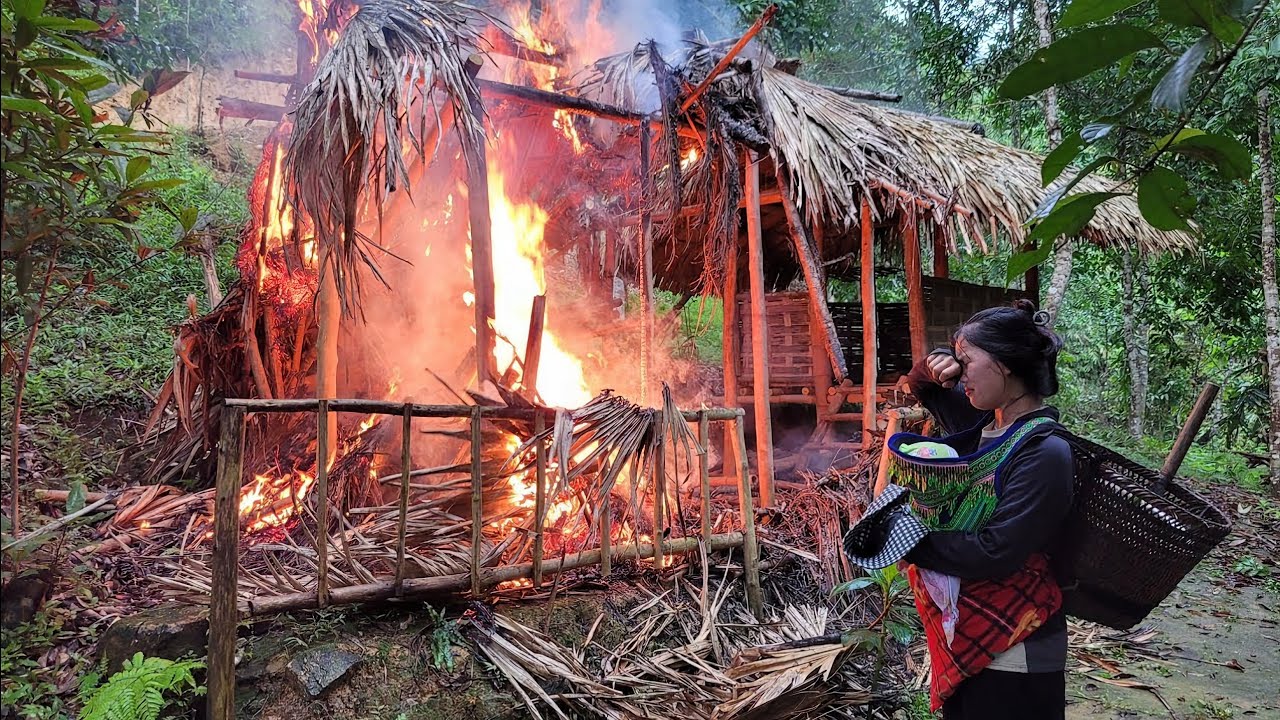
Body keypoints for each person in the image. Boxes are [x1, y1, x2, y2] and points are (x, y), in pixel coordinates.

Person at [900, 299, 1074, 719]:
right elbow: (920, 384)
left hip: (1016, 655)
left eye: (968, 361)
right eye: (957, 362)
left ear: (1006, 365)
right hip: (967, 643)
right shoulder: (982, 428)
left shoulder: (1045, 452)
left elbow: (996, 552)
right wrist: (936, 364)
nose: (960, 374)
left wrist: (908, 541)